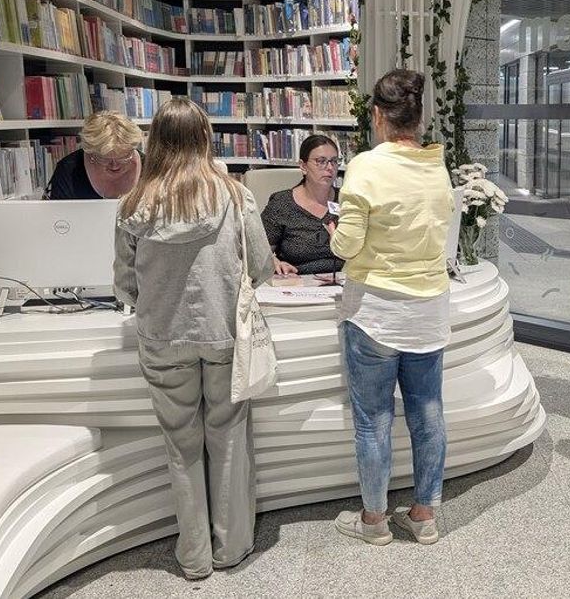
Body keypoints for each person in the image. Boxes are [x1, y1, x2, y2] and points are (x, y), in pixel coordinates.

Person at [113, 98, 274, 578]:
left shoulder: (133, 204)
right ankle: (231, 548)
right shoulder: (233, 195)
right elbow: (262, 267)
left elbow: (125, 286)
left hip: (163, 340)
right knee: (227, 438)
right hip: (224, 336)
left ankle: (195, 556)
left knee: (180, 448)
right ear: (205, 137)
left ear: (154, 141)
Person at [330, 69, 454, 546]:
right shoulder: (436, 166)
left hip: (376, 312)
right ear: (418, 119)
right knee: (428, 412)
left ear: (378, 116)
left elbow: (347, 245)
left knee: (373, 419)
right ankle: (423, 515)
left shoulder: (365, 166)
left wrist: (337, 236)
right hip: (428, 309)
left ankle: (374, 521)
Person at [261, 134, 344, 276]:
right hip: (297, 282)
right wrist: (274, 262)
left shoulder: (346, 201)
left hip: (343, 282)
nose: (330, 167)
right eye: (321, 161)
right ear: (303, 166)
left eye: (334, 161)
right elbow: (259, 250)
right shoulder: (282, 204)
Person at [47, 110, 144, 199]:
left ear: (132, 148)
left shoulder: (151, 167)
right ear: (90, 152)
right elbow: (55, 214)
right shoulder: (68, 169)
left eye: (123, 158)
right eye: (104, 159)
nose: (114, 166)